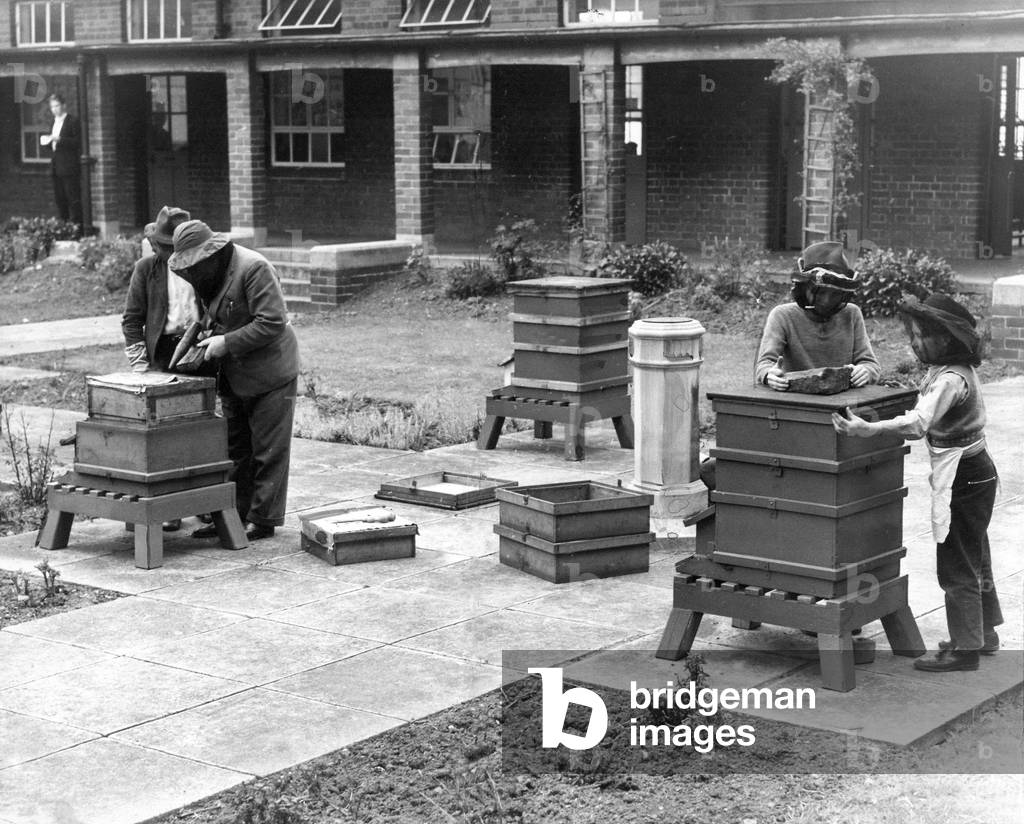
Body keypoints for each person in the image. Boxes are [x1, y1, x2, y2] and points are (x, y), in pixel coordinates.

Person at [832, 294, 1002, 672]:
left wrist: (868, 428)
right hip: (974, 470)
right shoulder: (946, 370)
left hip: (964, 475)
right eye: (911, 334)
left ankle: (965, 651)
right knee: (974, 553)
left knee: (956, 561)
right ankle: (981, 634)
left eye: (921, 335)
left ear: (946, 339)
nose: (914, 342)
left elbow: (918, 423)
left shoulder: (951, 380)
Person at [168, 220, 300, 541]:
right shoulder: (209, 275)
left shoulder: (254, 268)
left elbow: (272, 322)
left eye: (196, 265)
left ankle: (263, 519)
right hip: (234, 372)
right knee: (234, 449)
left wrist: (224, 343)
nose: (193, 273)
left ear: (212, 254)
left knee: (267, 450)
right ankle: (232, 515)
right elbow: (214, 314)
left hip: (270, 372)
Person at [755, 241, 880, 391]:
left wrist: (865, 371)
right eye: (820, 292)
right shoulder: (782, 316)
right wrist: (770, 374)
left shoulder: (852, 314)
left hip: (843, 401)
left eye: (834, 294)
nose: (827, 300)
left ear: (844, 294)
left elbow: (870, 364)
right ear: (804, 287)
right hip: (796, 399)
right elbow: (764, 364)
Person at [121, 206, 200, 373]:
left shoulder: (201, 265)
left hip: (199, 348)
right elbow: (132, 320)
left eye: (178, 246)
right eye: (166, 246)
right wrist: (140, 363)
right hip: (162, 352)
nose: (172, 252)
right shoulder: (146, 268)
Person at [41, 93, 83, 230]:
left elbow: (77, 142)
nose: (54, 109)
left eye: (57, 105)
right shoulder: (53, 122)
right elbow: (53, 145)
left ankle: (78, 228)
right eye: (52, 106)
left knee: (73, 198)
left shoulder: (72, 121)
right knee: (60, 199)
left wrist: (59, 139)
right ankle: (64, 228)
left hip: (69, 165)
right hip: (56, 165)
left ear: (64, 105)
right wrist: (47, 141)